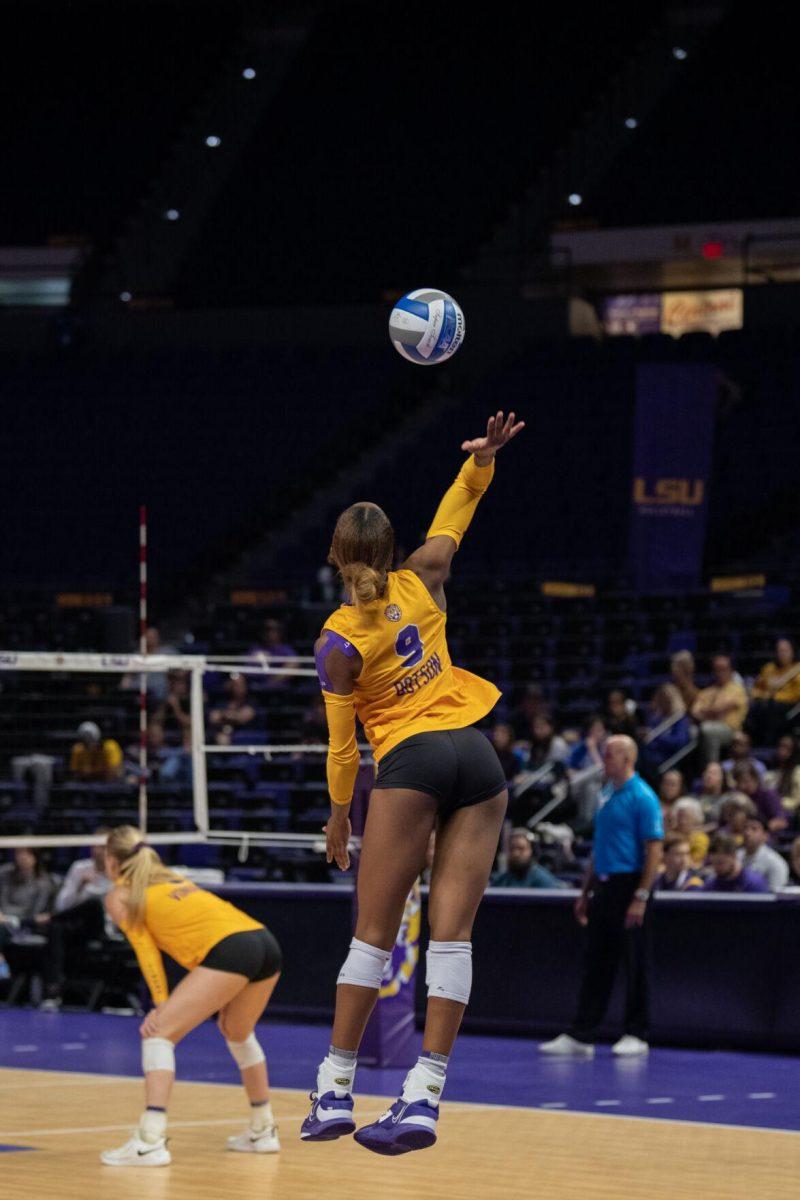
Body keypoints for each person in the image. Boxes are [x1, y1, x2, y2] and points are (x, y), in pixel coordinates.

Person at [302, 410, 523, 1155]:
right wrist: (481, 462)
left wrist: (340, 819)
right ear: (390, 551)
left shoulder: (337, 640)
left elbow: (341, 750)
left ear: (335, 555)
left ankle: (333, 1091)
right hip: (479, 755)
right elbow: (455, 516)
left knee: (375, 935)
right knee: (451, 939)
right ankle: (423, 1099)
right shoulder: (422, 577)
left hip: (415, 760)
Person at [100, 826, 282, 1167]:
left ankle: (150, 1140)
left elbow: (146, 951)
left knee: (159, 1035)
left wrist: (160, 1004)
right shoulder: (172, 879)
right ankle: (262, 1128)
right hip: (264, 941)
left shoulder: (120, 895)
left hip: (231, 948)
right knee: (237, 1032)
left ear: (111, 861)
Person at [539, 735, 663, 1060]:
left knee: (634, 962)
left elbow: (654, 849)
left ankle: (637, 1033)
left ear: (627, 759)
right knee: (596, 961)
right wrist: (585, 890)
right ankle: (582, 1034)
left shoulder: (643, 796)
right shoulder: (606, 794)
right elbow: (599, 847)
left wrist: (641, 895)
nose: (604, 760)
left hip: (631, 884)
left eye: (609, 755)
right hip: (605, 887)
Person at [38, 828, 113, 1010]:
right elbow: (62, 905)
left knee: (94, 904)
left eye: (102, 846)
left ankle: (39, 920)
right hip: (77, 927)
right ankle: (52, 993)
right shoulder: (80, 868)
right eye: (94, 846)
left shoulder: (120, 872)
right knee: (55, 928)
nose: (98, 850)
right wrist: (79, 886)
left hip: (105, 929)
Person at [691, 655, 748, 766]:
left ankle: (712, 768)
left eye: (723, 669)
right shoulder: (707, 691)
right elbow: (695, 712)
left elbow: (719, 708)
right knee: (689, 732)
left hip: (730, 729)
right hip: (708, 725)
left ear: (731, 671)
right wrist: (714, 712)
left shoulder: (737, 689)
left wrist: (707, 712)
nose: (720, 673)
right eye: (717, 669)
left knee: (707, 729)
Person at [748, 638, 800, 745]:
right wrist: (761, 695)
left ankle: (771, 742)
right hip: (766, 704)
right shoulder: (768, 668)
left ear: (793, 651)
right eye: (779, 651)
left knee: (773, 707)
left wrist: (773, 696)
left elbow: (795, 695)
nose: (782, 654)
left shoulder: (797, 669)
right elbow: (756, 689)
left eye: (785, 650)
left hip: (789, 707)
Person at [639, 684, 691, 777]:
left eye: (666, 700)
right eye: (661, 699)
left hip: (669, 758)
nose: (663, 703)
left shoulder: (679, 719)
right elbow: (649, 741)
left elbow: (680, 742)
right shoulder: (655, 719)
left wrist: (657, 737)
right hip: (650, 756)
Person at [491, 829, 567, 889]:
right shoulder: (502, 880)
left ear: (530, 850)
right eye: (512, 849)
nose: (516, 853)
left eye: (521, 848)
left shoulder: (542, 879)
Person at [731, 761, 787, 832]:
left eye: (745, 781)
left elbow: (781, 822)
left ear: (755, 779)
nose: (742, 786)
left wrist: (750, 807)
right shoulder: (736, 795)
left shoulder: (768, 794)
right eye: (739, 782)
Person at [703, 833, 769, 893]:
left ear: (734, 856)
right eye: (717, 863)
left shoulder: (754, 883)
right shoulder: (710, 886)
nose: (719, 857)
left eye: (722, 862)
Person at [738, 814, 789, 892]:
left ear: (765, 836)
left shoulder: (775, 863)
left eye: (754, 829)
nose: (747, 833)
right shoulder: (735, 855)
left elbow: (776, 895)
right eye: (745, 828)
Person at [209, 674, 256, 745]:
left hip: (242, 738)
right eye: (234, 684)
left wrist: (224, 715)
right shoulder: (222, 702)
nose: (237, 687)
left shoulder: (251, 702)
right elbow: (213, 717)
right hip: (222, 735)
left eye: (240, 684)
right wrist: (230, 716)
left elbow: (242, 717)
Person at [670, 798, 709, 869]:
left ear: (696, 819)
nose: (682, 821)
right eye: (679, 817)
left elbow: (695, 861)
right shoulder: (670, 836)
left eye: (687, 817)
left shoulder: (700, 838)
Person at [764, 735, 800, 811]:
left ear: (794, 751)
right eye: (781, 746)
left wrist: (777, 802)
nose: (782, 750)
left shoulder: (797, 772)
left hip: (789, 812)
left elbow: (797, 801)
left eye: (787, 748)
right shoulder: (771, 771)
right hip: (770, 809)